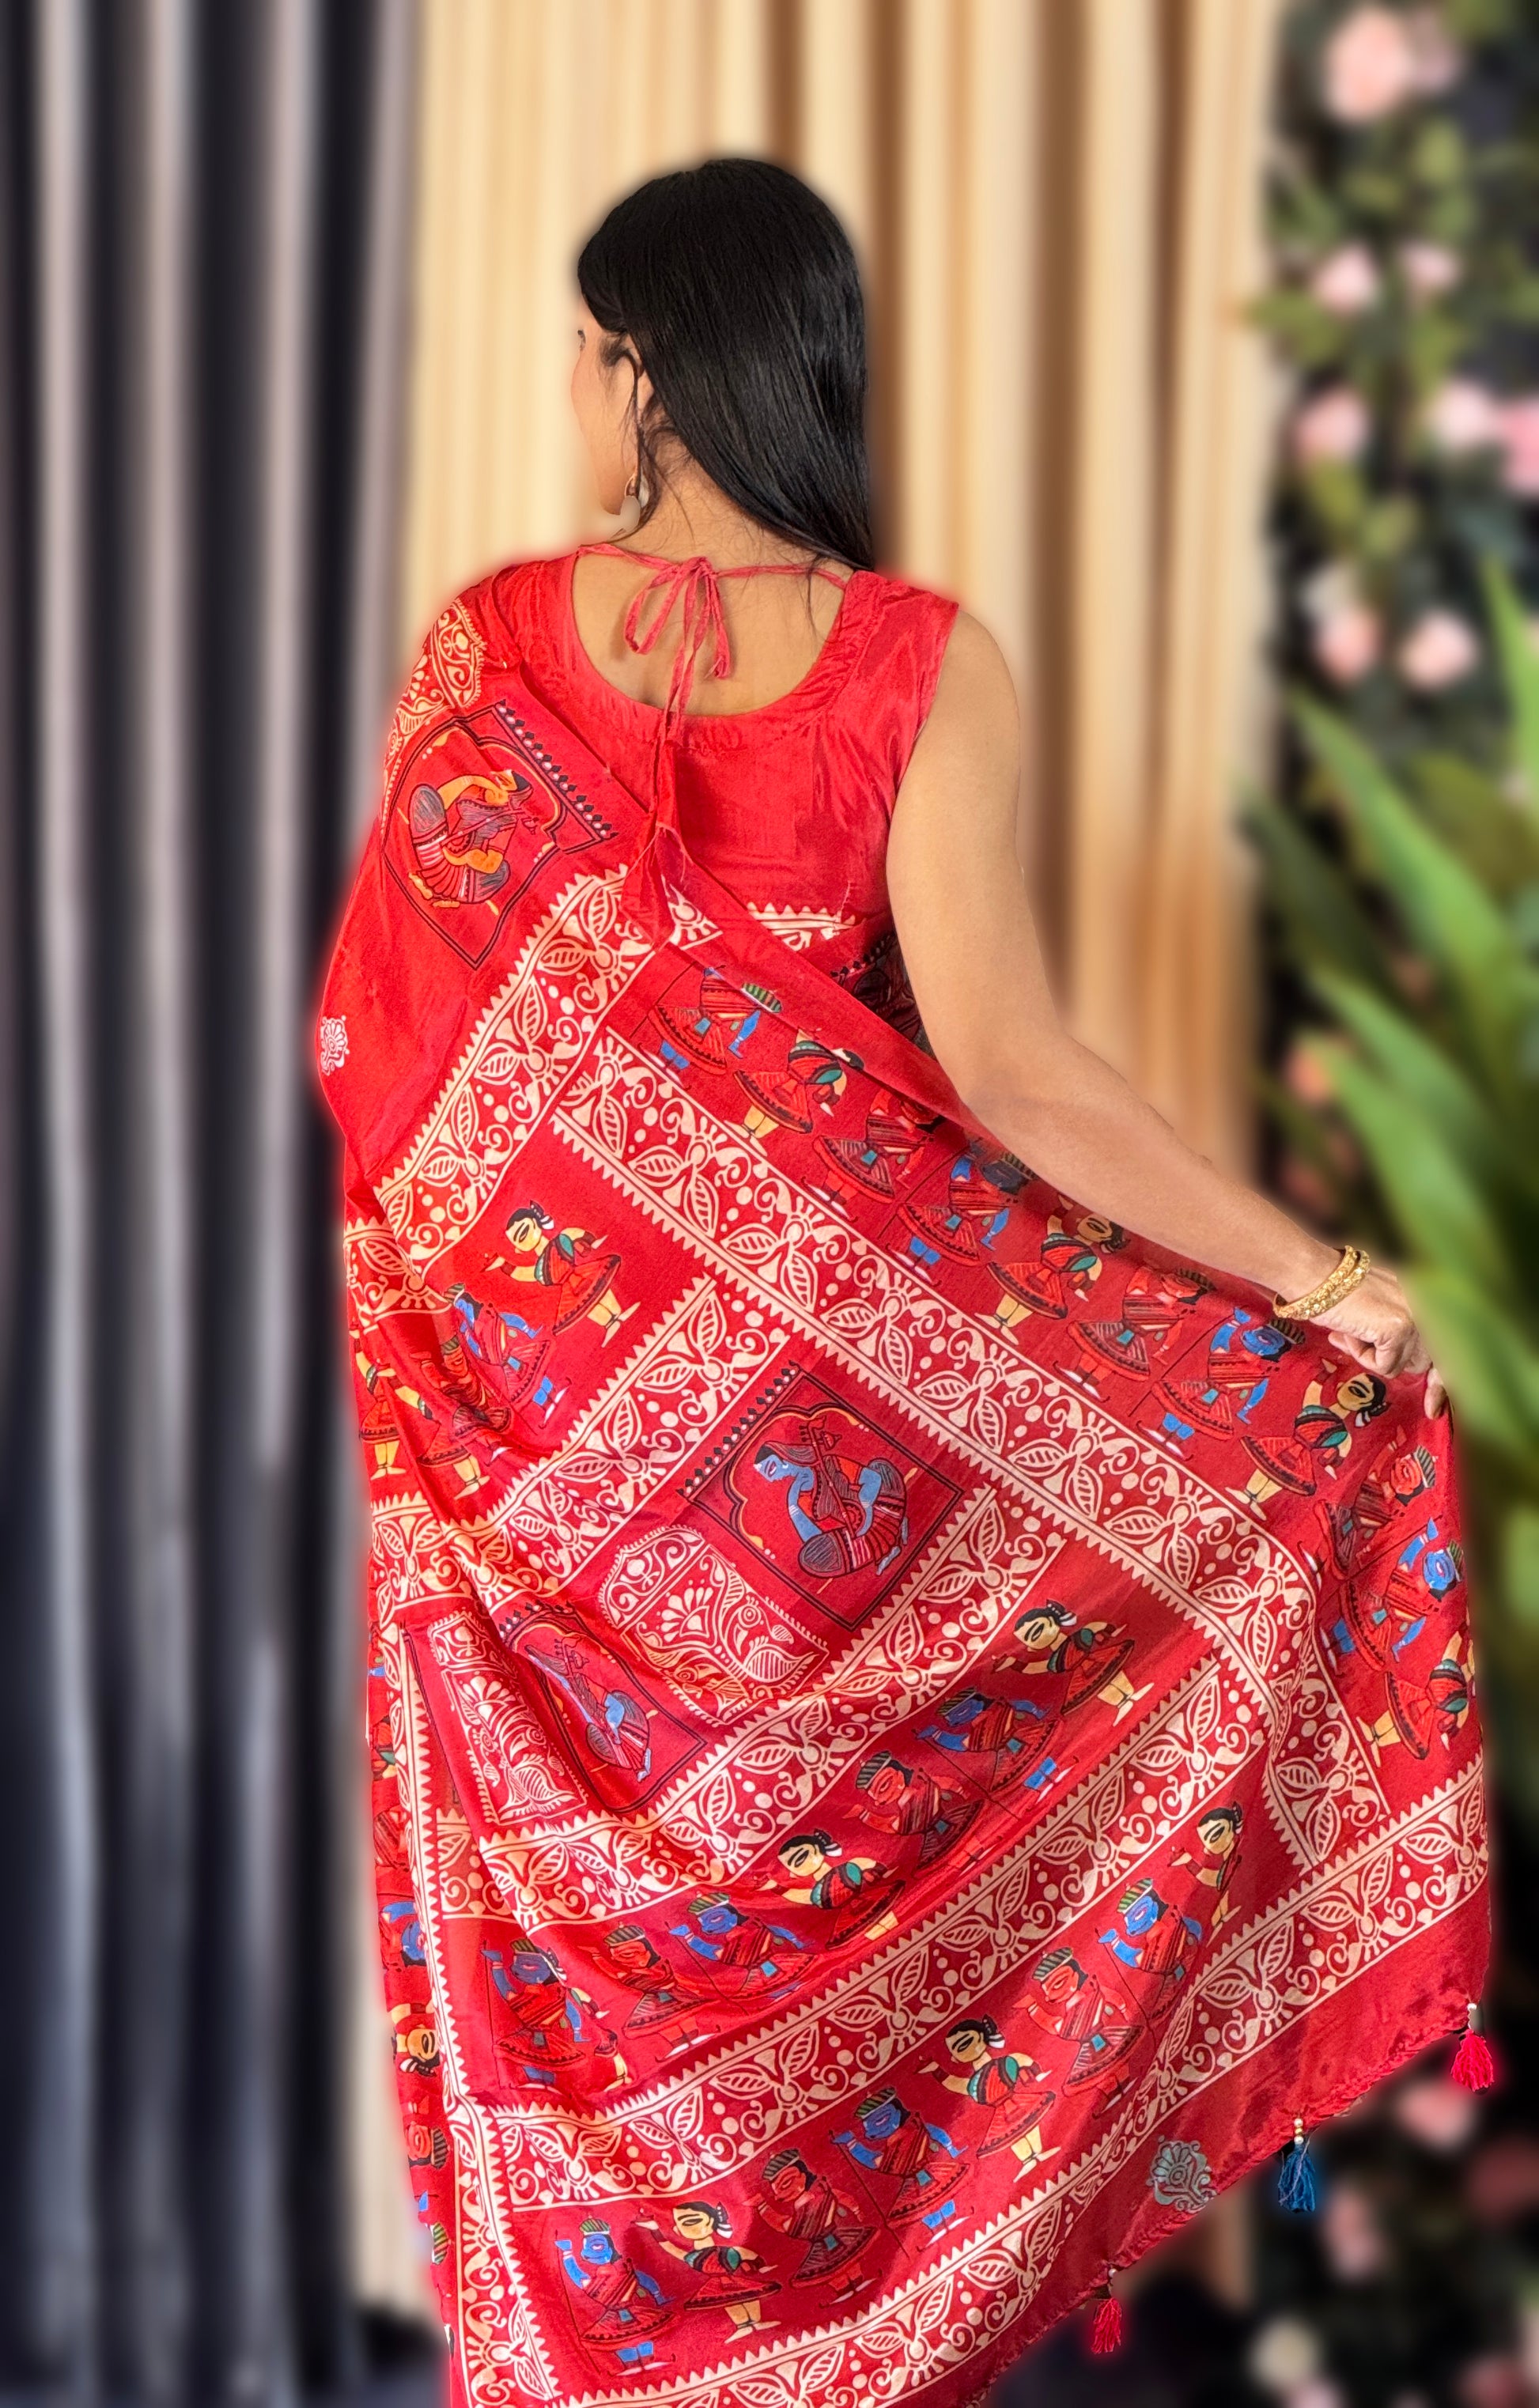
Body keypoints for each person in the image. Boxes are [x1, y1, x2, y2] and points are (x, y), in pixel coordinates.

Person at [319, 159, 1487, 2408]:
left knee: (621, 2029)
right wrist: (1317, 1280)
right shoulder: (914, 666)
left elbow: (389, 1068)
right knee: (864, 1998)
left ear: (646, 372)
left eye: (586, 349)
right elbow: (1020, 1084)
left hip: (557, 1520)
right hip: (851, 1511)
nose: (572, 387)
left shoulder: (489, 652)